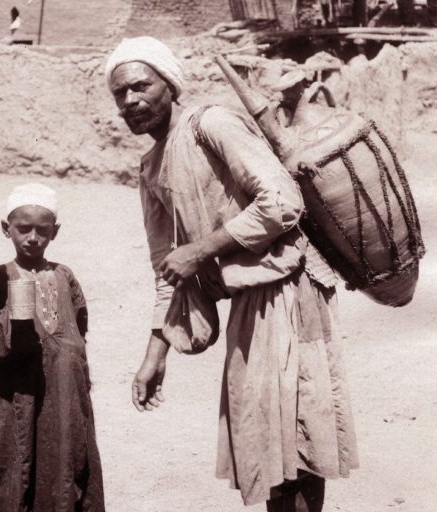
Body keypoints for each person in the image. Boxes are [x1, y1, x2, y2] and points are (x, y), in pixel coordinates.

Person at [105, 36, 358, 511]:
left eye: (141, 86)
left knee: (297, 446)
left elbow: (282, 202)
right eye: (120, 94)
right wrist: (155, 354)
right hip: (248, 303)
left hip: (290, 288)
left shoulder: (211, 123)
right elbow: (169, 270)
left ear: (170, 85)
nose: (130, 100)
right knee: (265, 444)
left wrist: (201, 250)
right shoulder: (150, 166)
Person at [0, 183, 105, 512]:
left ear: (54, 232)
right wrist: (11, 332)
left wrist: (73, 368)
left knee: (62, 464)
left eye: (42, 230)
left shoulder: (64, 276)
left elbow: (78, 325)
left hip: (62, 393)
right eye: (23, 229)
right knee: (8, 467)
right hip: (12, 395)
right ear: (6, 229)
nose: (32, 237)